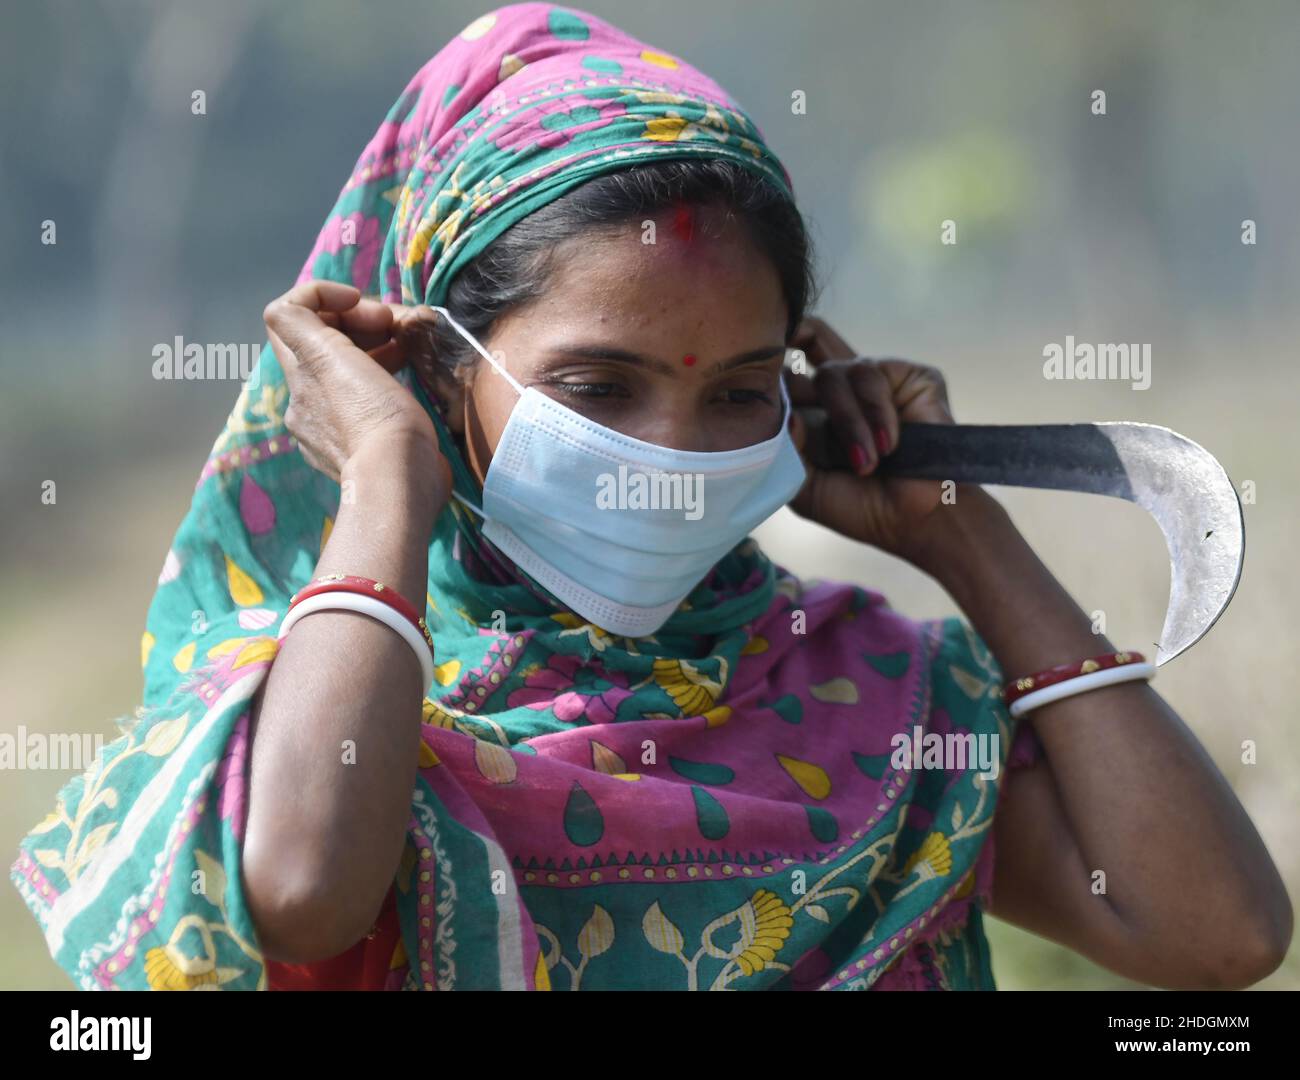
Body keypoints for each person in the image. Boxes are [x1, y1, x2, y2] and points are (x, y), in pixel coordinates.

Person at [11, 2, 1290, 992]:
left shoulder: (879, 699)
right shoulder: (320, 690)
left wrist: (966, 537)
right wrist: (390, 481)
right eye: (597, 386)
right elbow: (299, 887)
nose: (665, 452)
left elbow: (1217, 938)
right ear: (434, 369)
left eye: (737, 390)